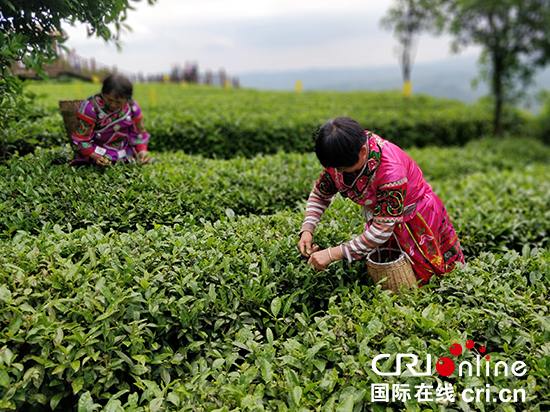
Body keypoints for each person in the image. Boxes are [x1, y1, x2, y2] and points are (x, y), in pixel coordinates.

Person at [298, 117, 464, 286]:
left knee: (428, 279)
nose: (337, 172)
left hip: (416, 219)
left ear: (363, 151)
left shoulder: (391, 171)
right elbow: (321, 194)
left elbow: (381, 230)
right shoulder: (341, 154)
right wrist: (307, 230)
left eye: (342, 169)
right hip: (383, 220)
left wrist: (332, 254)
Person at [70, 74, 150, 166]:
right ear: (103, 93)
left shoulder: (132, 108)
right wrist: (94, 156)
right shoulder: (90, 107)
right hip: (97, 151)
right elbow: (81, 138)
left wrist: (141, 151)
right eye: (109, 100)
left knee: (130, 165)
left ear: (127, 99)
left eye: (118, 102)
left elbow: (138, 134)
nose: (113, 105)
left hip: (125, 154)